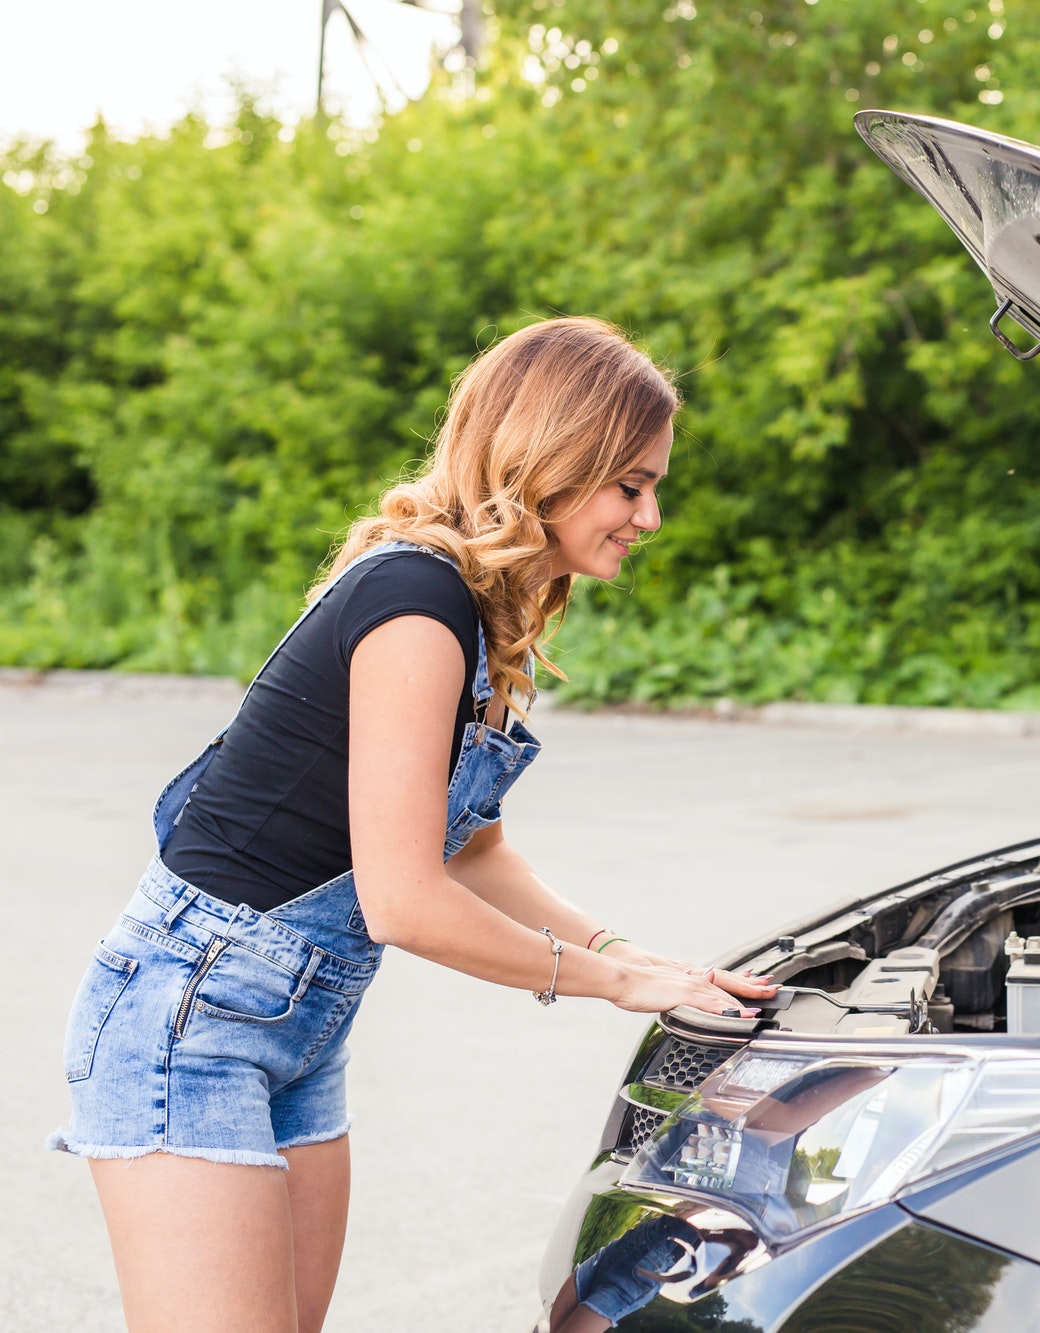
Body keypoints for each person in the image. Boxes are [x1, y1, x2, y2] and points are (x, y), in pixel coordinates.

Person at [49, 316, 776, 1333]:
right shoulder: (413, 600)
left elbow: (474, 851)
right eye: (630, 484)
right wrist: (613, 984)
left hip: (295, 1026)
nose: (649, 515)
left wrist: (632, 954)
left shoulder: (472, 613)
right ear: (551, 462)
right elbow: (401, 899)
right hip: (191, 1014)